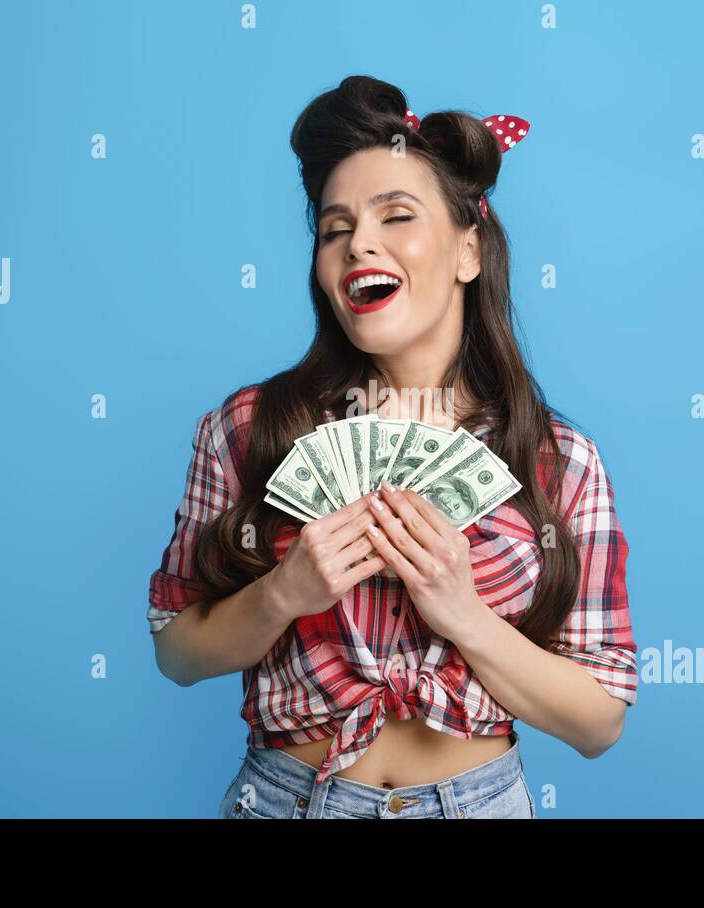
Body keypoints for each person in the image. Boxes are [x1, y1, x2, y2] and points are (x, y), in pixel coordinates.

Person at [147, 75, 638, 819]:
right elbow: (177, 652)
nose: (359, 244)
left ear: (468, 250)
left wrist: (463, 614)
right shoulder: (250, 428)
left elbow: (599, 722)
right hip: (286, 800)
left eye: (396, 215)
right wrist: (283, 594)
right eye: (335, 228)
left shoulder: (559, 460)